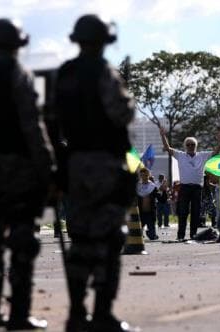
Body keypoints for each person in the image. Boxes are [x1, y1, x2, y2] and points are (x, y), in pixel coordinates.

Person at [55, 14, 135, 332]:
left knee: (81, 238)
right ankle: (102, 313)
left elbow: (53, 117)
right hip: (103, 163)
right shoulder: (104, 72)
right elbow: (122, 113)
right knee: (109, 237)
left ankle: (76, 313)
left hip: (74, 164)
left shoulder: (65, 73)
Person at [0, 18, 55, 331]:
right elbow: (32, 124)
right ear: (17, 45)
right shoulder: (17, 73)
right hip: (19, 169)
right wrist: (47, 165)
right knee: (23, 242)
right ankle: (19, 314)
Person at [159, 127, 220, 240]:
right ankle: (180, 236)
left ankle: (193, 235)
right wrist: (163, 136)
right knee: (183, 212)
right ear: (185, 146)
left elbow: (216, 152)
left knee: (196, 212)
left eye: (192, 144)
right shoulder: (180, 155)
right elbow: (168, 148)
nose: (190, 146)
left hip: (197, 188)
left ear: (196, 146)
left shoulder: (202, 155)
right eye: (188, 145)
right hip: (184, 188)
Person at [136, 168, 159, 240]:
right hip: (140, 213)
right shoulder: (138, 186)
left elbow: (161, 199)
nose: (144, 177)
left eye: (146, 175)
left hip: (150, 213)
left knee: (152, 237)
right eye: (142, 175)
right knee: (137, 236)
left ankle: (150, 233)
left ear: (148, 175)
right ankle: (141, 233)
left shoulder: (153, 187)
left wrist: (164, 191)